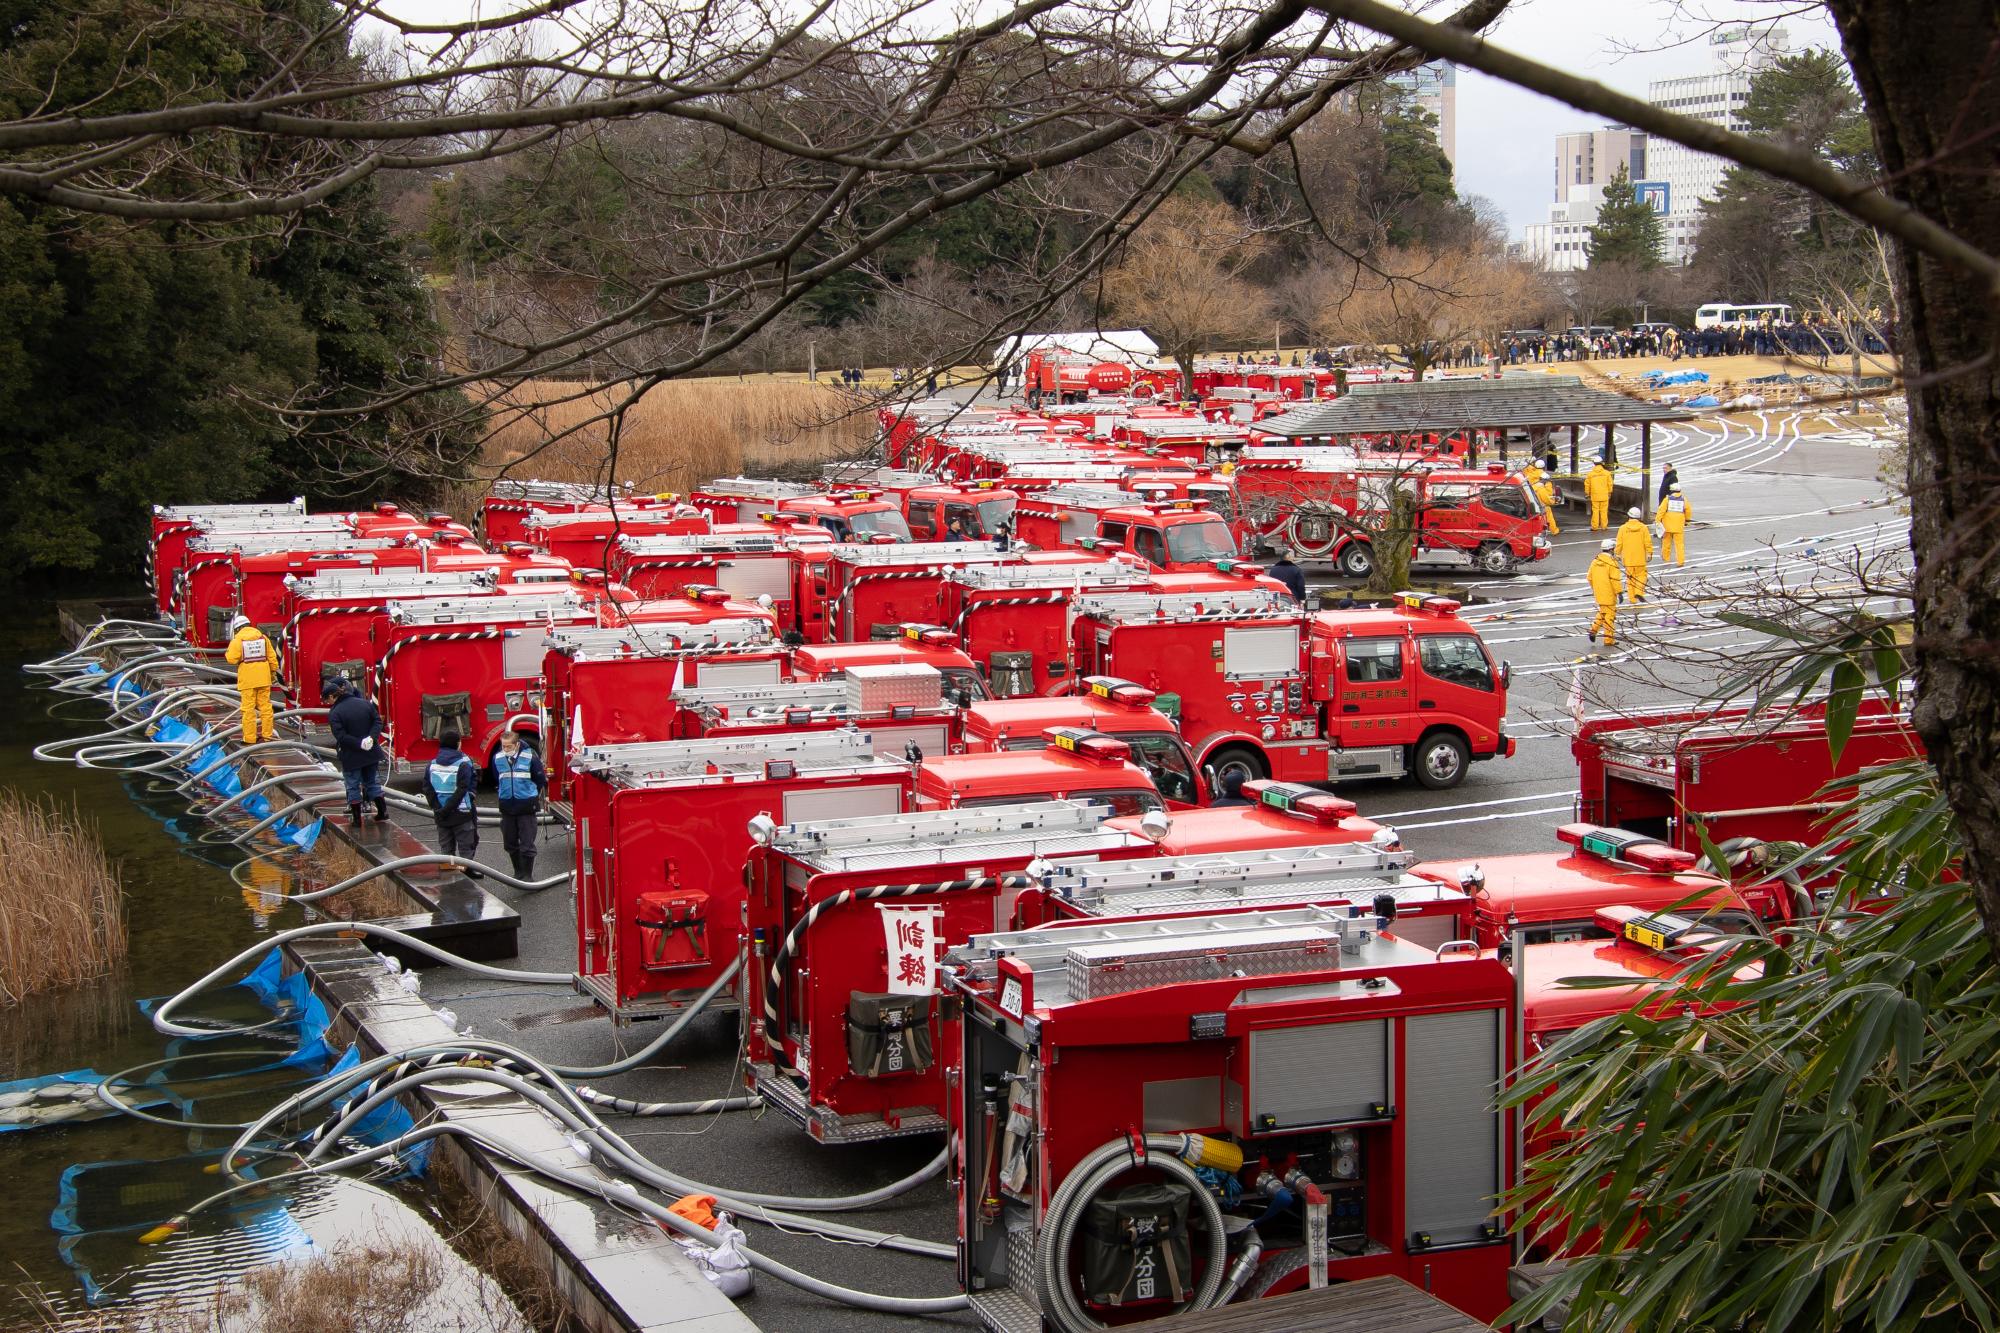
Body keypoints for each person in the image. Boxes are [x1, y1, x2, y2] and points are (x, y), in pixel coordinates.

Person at [326, 675, 387, 826]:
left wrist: (359, 743)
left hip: (351, 755)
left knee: (352, 785)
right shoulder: (364, 703)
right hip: (371, 752)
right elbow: (377, 721)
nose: (327, 703)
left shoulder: (335, 712)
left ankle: (357, 820)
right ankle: (382, 812)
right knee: (372, 782)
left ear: (332, 696)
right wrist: (371, 738)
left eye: (327, 700)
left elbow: (341, 736)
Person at [491, 730, 548, 884]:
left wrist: (530, 794)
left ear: (516, 745)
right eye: (503, 746)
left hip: (526, 806)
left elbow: (540, 779)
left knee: (527, 843)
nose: (505, 749)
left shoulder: (530, 758)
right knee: (509, 842)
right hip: (507, 807)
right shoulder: (498, 758)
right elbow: (497, 778)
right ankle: (518, 871)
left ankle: (528, 875)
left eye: (509, 746)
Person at [424, 730, 483, 876]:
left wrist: (438, 808)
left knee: (446, 846)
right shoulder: (463, 763)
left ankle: (448, 875)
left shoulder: (431, 764)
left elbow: (427, 788)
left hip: (440, 813)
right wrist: (470, 796)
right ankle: (467, 871)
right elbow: (463, 788)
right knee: (466, 844)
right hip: (462, 812)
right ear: (458, 744)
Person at [223, 614, 278, 743]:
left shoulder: (238, 640)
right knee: (266, 708)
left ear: (237, 628)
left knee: (248, 710)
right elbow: (272, 659)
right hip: (264, 678)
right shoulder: (263, 638)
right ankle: (268, 736)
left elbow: (231, 659)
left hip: (247, 680)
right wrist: (272, 674)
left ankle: (250, 738)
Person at [1587, 539, 1625, 647]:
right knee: (1609, 616)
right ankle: (1609, 640)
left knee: (1603, 612)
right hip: (1609, 593)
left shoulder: (1595, 561)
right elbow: (1615, 580)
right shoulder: (1611, 562)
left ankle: (1593, 630)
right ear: (1611, 549)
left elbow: (1589, 577)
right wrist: (1619, 592)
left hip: (1599, 593)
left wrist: (1596, 588)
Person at [1614, 505, 1656, 602]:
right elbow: (1647, 542)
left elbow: (1619, 543)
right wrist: (1649, 553)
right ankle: (1639, 592)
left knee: (1630, 579)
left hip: (1628, 559)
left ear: (1629, 516)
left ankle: (1632, 599)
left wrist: (1617, 554)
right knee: (1641, 576)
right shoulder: (1643, 528)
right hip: (1640, 558)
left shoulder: (1623, 528)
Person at [1523, 462, 1560, 535]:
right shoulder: (1540, 487)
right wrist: (1553, 501)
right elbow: (1546, 499)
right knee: (1548, 516)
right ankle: (1554, 531)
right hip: (1541, 506)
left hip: (1532, 505)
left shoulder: (1530, 479)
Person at [1660, 483, 1691, 565]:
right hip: (1678, 525)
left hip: (1667, 525)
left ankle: (1666, 558)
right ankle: (1680, 561)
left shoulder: (1667, 499)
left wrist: (1657, 520)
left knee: (1666, 542)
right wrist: (1687, 520)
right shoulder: (1684, 499)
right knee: (1679, 544)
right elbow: (1688, 510)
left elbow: (1661, 510)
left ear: (1671, 490)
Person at [1584, 456, 1615, 532]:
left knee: (1595, 511)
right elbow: (1610, 484)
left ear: (1594, 463)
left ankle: (1595, 527)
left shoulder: (1590, 474)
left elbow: (1587, 484)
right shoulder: (1607, 473)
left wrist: (1587, 493)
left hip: (1595, 495)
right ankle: (1604, 526)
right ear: (1601, 463)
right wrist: (1610, 492)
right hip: (1604, 495)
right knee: (1604, 511)